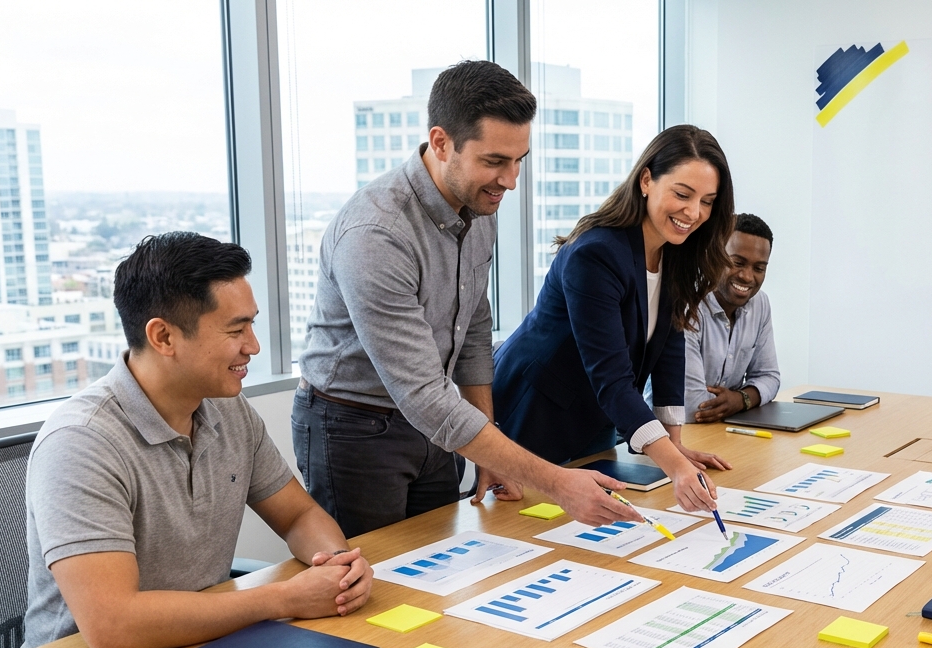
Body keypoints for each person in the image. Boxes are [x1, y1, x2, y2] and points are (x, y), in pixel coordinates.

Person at [295, 60, 635, 536]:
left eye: (520, 160)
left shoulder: (478, 204)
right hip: (354, 427)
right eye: (495, 161)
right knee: (373, 589)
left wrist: (488, 441)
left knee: (436, 572)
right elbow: (422, 392)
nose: (510, 180)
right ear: (441, 143)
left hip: (435, 422)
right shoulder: (376, 233)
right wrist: (555, 482)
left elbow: (475, 327)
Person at [22, 233, 374, 648]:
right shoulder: (81, 443)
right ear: (164, 338)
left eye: (252, 323)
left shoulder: (228, 410)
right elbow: (113, 624)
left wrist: (336, 565)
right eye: (236, 328)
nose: (254, 346)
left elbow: (298, 515)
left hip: (200, 645)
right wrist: (285, 599)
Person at [492, 125, 733, 514]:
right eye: (682, 194)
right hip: (534, 414)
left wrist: (675, 447)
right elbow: (611, 375)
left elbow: (668, 352)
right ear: (646, 180)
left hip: (599, 415)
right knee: (526, 531)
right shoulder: (597, 253)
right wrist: (675, 468)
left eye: (707, 201)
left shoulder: (675, 253)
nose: (694, 212)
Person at [683, 212, 781, 423]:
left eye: (759, 268)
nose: (747, 276)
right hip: (675, 436)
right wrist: (745, 399)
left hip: (722, 431)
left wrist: (739, 399)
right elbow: (692, 406)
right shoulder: (687, 304)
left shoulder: (760, 304)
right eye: (737, 263)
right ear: (714, 255)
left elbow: (770, 377)